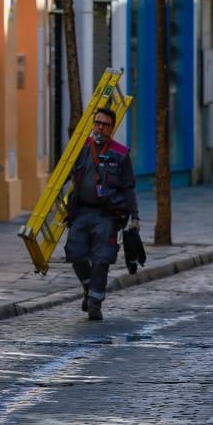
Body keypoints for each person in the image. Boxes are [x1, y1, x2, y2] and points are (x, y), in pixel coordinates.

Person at [64, 106, 139, 321]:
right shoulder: (80, 148)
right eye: (97, 123)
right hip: (81, 212)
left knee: (101, 259)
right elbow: (64, 172)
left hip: (107, 214)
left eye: (105, 124)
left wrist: (135, 217)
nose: (100, 127)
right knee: (75, 254)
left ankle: (95, 303)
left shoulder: (120, 153)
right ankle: (89, 288)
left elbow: (129, 187)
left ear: (112, 128)